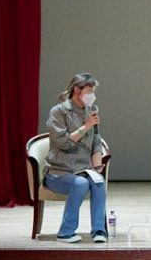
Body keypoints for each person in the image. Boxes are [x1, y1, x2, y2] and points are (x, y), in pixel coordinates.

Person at [44, 72, 107, 243]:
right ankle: (65, 232)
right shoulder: (59, 111)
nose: (92, 95)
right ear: (77, 90)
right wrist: (86, 126)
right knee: (80, 183)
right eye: (89, 90)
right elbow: (63, 142)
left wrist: (97, 167)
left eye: (93, 91)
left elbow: (96, 140)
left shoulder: (92, 110)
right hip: (58, 172)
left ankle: (99, 231)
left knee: (99, 182)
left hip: (83, 170)